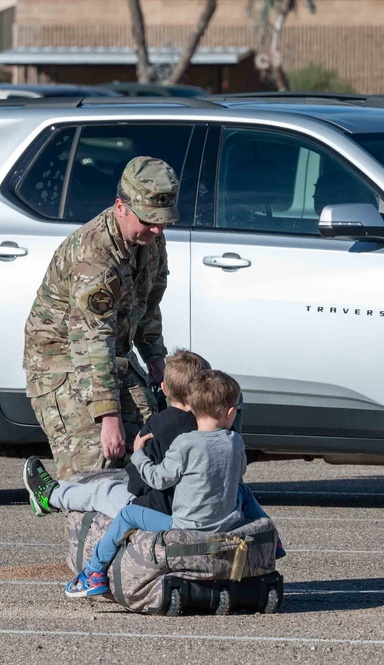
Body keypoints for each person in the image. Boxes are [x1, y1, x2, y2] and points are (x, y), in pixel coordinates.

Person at [23, 156, 179, 480]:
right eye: (148, 220)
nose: (157, 228)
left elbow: (148, 304)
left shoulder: (151, 240)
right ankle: (59, 499)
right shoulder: (93, 256)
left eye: (162, 220)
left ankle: (127, 528)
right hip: (62, 362)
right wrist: (107, 415)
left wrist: (156, 359)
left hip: (110, 356)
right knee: (96, 463)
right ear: (120, 206)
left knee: (149, 442)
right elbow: (90, 341)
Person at [65, 370, 256, 598]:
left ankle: (93, 573)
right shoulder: (235, 441)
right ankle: (273, 543)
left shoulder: (185, 443)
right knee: (243, 491)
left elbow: (158, 478)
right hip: (228, 523)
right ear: (230, 413)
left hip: (184, 526)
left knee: (127, 515)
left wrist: (138, 454)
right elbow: (240, 471)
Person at [23, 349, 209, 518]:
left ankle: (50, 495)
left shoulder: (158, 425)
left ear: (165, 389)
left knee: (102, 492)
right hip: (202, 509)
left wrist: (137, 455)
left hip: (155, 509)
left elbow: (138, 484)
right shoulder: (213, 427)